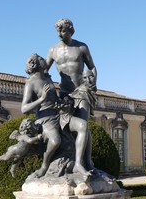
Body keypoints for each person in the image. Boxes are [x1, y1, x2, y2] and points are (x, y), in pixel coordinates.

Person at [46, 19, 97, 170]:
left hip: (81, 91)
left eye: (62, 31)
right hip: (64, 94)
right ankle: (67, 161)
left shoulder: (81, 47)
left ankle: (85, 162)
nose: (60, 34)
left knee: (83, 126)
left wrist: (93, 83)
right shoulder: (53, 50)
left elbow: (92, 67)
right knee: (65, 130)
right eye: (57, 31)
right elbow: (44, 72)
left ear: (70, 30)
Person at [21, 53, 61, 178]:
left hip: (59, 114)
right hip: (44, 119)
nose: (44, 59)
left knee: (81, 129)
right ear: (35, 63)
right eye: (41, 58)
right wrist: (41, 99)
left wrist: (61, 103)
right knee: (55, 141)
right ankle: (44, 166)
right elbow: (24, 108)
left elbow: (54, 98)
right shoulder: (31, 83)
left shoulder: (47, 78)